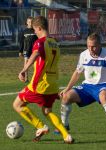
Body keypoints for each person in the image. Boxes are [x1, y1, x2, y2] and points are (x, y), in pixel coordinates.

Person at [13, 16, 74, 144]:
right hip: (53, 84)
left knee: (17, 104)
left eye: (35, 29)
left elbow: (35, 54)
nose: (34, 32)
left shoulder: (40, 42)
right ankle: (66, 135)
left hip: (39, 84)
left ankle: (40, 126)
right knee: (47, 111)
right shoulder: (55, 43)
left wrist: (24, 69)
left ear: (39, 28)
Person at [56, 33, 106, 136]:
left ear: (100, 45)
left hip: (103, 85)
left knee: (104, 97)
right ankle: (64, 125)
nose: (91, 49)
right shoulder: (84, 55)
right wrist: (67, 88)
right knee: (66, 96)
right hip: (87, 86)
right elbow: (77, 73)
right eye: (88, 46)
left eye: (93, 46)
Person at [19, 16, 38, 82]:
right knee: (26, 63)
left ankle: (36, 77)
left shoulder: (35, 31)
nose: (30, 23)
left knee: (36, 64)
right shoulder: (24, 31)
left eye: (32, 22)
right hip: (26, 50)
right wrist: (20, 51)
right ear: (27, 23)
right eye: (29, 22)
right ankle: (26, 78)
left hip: (34, 50)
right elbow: (21, 42)